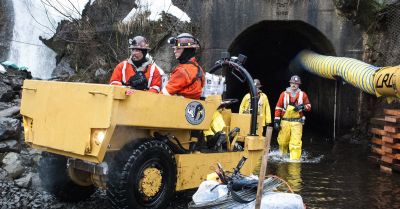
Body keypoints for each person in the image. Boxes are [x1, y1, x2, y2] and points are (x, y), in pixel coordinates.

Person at [274, 75, 311, 160]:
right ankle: (283, 156)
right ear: (290, 83)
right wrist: (276, 121)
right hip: (285, 121)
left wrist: (302, 107)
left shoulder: (303, 95)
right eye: (292, 83)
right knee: (283, 141)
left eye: (296, 83)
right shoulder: (283, 94)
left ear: (299, 85)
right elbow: (278, 107)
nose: (294, 85)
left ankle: (294, 161)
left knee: (295, 143)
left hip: (297, 122)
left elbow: (309, 106)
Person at [161, 33, 205, 99]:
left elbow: (164, 95)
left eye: (178, 48)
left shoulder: (182, 71)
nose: (175, 51)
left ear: (187, 50)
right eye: (174, 48)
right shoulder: (198, 68)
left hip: (178, 106)